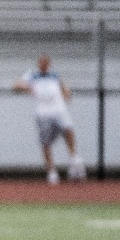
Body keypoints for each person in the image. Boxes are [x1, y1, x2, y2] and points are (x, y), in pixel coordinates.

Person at [14, 55, 86, 185]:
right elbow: (16, 86)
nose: (44, 65)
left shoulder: (54, 75)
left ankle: (74, 158)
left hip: (58, 110)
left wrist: (66, 94)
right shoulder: (32, 75)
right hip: (43, 114)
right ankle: (52, 172)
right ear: (38, 63)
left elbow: (64, 87)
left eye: (46, 62)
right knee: (45, 143)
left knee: (68, 129)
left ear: (49, 63)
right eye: (41, 62)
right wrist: (27, 88)